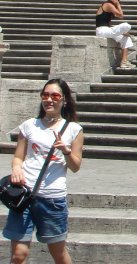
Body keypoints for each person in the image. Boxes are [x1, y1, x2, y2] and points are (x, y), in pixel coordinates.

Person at [2, 78, 84, 264]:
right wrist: (16, 169)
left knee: (59, 254)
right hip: (23, 196)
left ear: (64, 100)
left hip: (52, 200)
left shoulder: (74, 130)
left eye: (55, 95)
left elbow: (75, 166)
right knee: (18, 255)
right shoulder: (29, 125)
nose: (49, 99)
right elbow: (18, 156)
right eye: (45, 95)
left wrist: (66, 151)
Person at [95, 0, 134, 68]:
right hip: (102, 30)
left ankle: (124, 62)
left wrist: (121, 33)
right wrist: (118, 5)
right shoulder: (108, 4)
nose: (118, 1)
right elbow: (121, 15)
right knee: (126, 25)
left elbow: (108, 24)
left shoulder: (109, 5)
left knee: (126, 39)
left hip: (107, 30)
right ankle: (126, 32)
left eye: (119, 0)